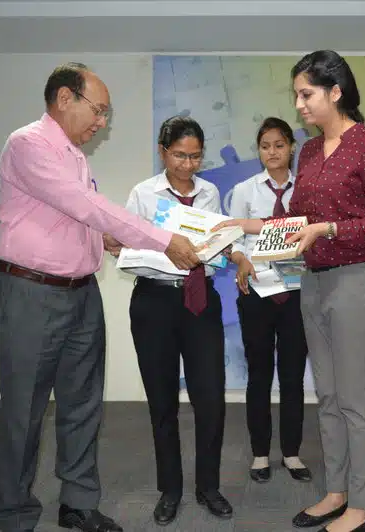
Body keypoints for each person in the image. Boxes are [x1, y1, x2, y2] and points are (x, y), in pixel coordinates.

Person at [0, 63, 200, 532]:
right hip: (31, 294)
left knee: (83, 404)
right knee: (24, 410)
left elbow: (74, 217)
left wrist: (101, 239)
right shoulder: (28, 144)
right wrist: (163, 240)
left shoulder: (75, 157)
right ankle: (16, 514)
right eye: (99, 110)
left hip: (82, 295)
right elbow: (86, 205)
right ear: (65, 98)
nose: (102, 123)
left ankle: (78, 503)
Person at [214, 49, 365, 532]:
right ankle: (337, 490)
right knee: (329, 395)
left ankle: (363, 504)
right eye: (296, 95)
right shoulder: (312, 151)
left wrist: (329, 229)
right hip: (313, 282)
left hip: (357, 280)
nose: (298, 104)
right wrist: (248, 225)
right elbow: (298, 221)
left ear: (335, 92)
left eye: (306, 94)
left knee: (355, 397)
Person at [125, 115, 233, 526]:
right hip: (155, 302)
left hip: (200, 301)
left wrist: (221, 250)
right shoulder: (144, 194)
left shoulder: (210, 192)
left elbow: (217, 247)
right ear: (162, 152)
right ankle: (170, 489)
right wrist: (164, 250)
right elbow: (127, 249)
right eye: (179, 156)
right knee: (163, 400)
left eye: (195, 156)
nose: (188, 165)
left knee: (211, 399)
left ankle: (209, 486)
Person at [229, 117, 312, 485]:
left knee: (293, 376)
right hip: (256, 292)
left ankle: (292, 453)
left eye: (279, 145)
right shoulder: (244, 190)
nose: (272, 152)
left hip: (297, 294)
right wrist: (240, 258)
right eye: (265, 146)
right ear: (258, 150)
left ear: (291, 147)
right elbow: (231, 237)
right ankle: (260, 453)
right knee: (259, 375)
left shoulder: (307, 189)